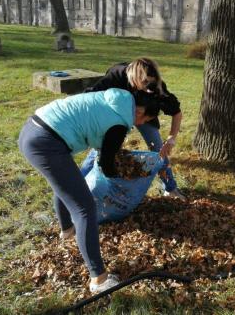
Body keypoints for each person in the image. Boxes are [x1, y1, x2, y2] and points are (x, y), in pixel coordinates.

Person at [18, 88, 158, 293]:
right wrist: (122, 175)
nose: (142, 124)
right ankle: (99, 280)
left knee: (67, 185)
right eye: (146, 119)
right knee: (84, 208)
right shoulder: (119, 124)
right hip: (46, 143)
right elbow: (107, 165)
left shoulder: (115, 98)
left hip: (32, 129)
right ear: (140, 111)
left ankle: (67, 233)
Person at [81, 58, 186, 200]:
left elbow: (177, 113)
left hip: (145, 117)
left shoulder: (156, 87)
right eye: (145, 82)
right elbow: (91, 97)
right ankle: (79, 186)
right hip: (116, 116)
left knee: (159, 149)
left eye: (151, 83)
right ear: (134, 77)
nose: (148, 87)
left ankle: (170, 188)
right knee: (101, 150)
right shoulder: (116, 76)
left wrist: (171, 139)